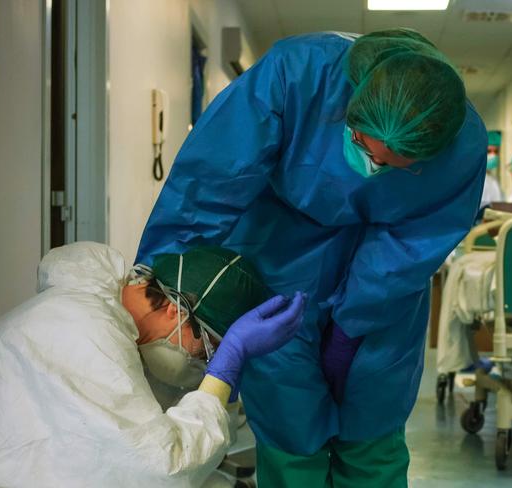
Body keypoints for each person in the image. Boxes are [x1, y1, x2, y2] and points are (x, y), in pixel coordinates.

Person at [136, 29, 486, 486]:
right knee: (289, 417)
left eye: (394, 163)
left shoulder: (461, 142)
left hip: (387, 286)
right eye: (362, 145)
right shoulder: (297, 75)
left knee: (372, 419)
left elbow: (411, 246)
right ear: (350, 105)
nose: (371, 167)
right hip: (276, 248)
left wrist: (350, 326)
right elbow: (209, 183)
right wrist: (164, 286)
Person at [0, 242, 305, 487]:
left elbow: (156, 422)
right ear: (175, 311)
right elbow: (162, 469)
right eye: (208, 351)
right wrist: (222, 374)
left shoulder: (110, 323)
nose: (202, 364)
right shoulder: (86, 332)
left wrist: (222, 390)